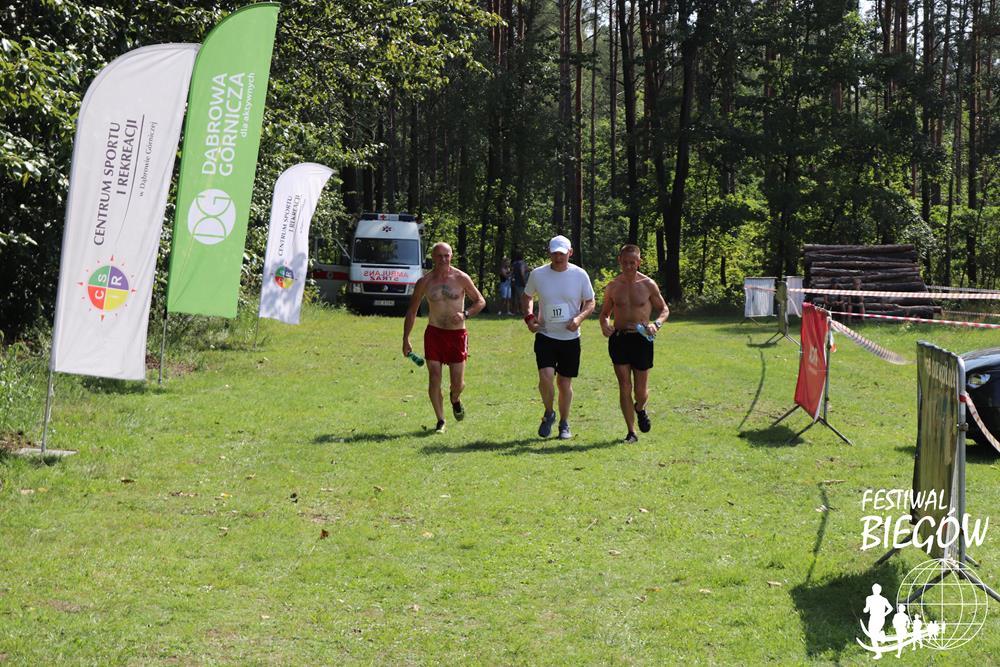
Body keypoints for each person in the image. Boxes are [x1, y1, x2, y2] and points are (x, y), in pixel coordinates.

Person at [403, 242, 486, 433]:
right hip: (434, 333)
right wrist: (406, 338)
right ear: (433, 257)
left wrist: (465, 314)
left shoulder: (461, 278)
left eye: (446, 255)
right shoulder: (425, 281)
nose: (443, 259)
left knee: (457, 384)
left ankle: (455, 398)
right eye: (439, 256)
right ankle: (440, 420)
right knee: (434, 377)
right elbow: (412, 311)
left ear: (452, 256)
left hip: (457, 335)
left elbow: (480, 301)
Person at [522, 235, 596, 439]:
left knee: (564, 383)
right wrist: (529, 317)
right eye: (554, 253)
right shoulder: (538, 274)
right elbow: (527, 296)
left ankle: (564, 423)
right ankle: (549, 412)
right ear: (549, 253)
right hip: (545, 334)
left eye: (562, 254)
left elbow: (590, 302)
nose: (558, 257)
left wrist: (578, 319)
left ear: (570, 253)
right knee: (545, 377)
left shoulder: (579, 275)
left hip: (570, 338)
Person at [599, 244, 669, 443]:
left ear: (639, 262)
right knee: (624, 385)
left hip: (642, 339)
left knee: (640, 391)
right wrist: (605, 325)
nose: (628, 266)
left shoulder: (648, 284)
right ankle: (631, 432)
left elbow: (664, 309)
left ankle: (640, 407)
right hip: (620, 339)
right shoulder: (613, 286)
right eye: (625, 262)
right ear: (619, 261)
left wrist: (656, 324)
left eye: (632, 262)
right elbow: (605, 313)